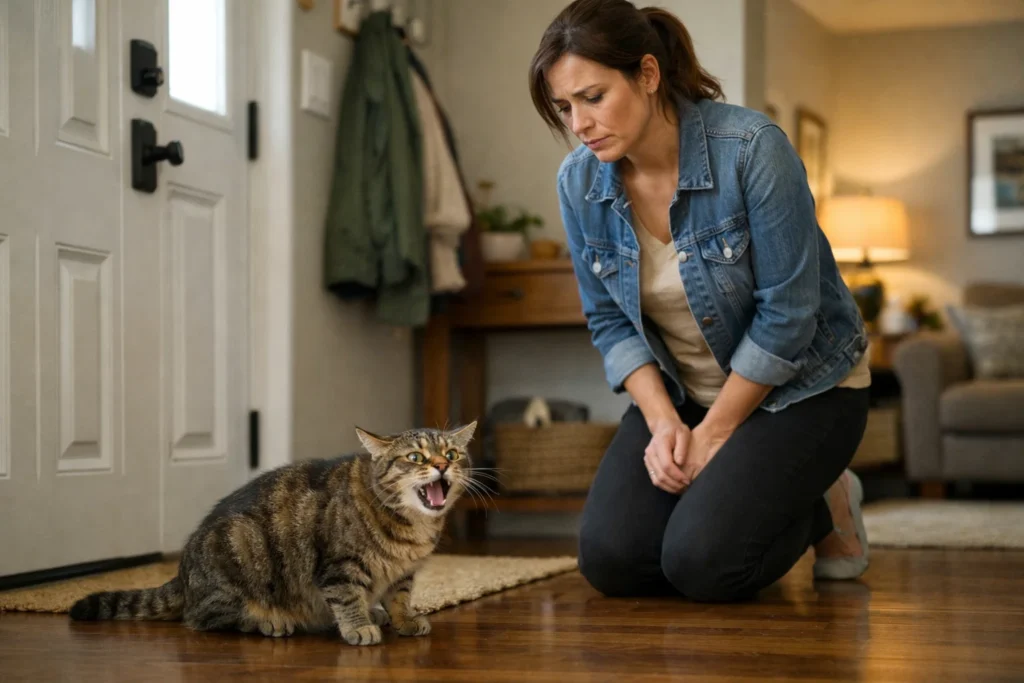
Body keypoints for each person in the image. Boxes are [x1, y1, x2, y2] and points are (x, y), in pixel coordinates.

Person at [528, 0, 872, 602]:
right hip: (685, 394)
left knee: (703, 564)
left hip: (804, 390)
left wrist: (713, 435)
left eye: (593, 97)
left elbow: (789, 316)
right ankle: (745, 492)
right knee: (612, 561)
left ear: (648, 74)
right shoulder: (578, 183)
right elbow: (609, 321)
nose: (579, 123)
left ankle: (826, 498)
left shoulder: (752, 149)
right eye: (565, 107)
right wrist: (664, 423)